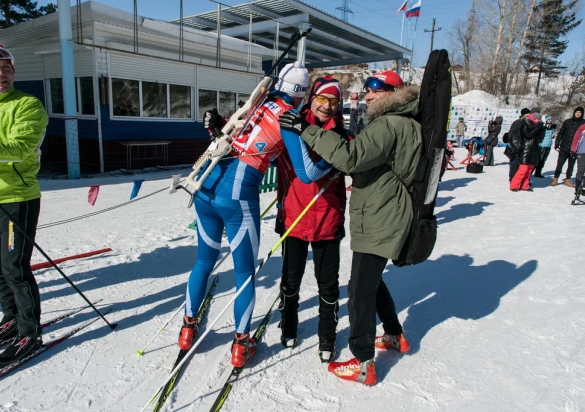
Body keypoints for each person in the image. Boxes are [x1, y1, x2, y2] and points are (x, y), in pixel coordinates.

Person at [178, 62, 333, 368]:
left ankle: (187, 327)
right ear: (302, 96)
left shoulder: (259, 100)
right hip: (236, 198)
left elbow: (231, 128)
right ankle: (241, 344)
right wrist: (332, 163)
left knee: (203, 261)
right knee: (244, 273)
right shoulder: (290, 116)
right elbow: (306, 173)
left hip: (205, 186)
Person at [279, 70, 418, 386]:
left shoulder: (387, 125)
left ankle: (363, 362)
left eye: (375, 91)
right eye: (322, 99)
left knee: (358, 289)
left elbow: (348, 158)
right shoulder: (398, 122)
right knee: (368, 282)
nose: (367, 97)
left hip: (371, 216)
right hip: (308, 217)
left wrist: (307, 132)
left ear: (394, 94)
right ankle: (395, 335)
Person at [0, 40, 48, 368]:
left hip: (16, 199)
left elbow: (19, 148)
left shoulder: (27, 105)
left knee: (14, 267)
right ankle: (10, 319)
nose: (0, 73)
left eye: (6, 68)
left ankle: (30, 331)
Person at [275, 76, 349, 363]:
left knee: (327, 283)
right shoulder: (291, 124)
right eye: (322, 99)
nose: (327, 106)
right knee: (290, 279)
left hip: (327, 219)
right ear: (311, 98)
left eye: (333, 101)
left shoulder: (341, 135)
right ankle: (288, 326)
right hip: (294, 216)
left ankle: (327, 337)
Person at [551, 107, 585, 187]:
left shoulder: (584, 123)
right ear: (574, 112)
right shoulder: (567, 122)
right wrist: (557, 143)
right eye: (577, 112)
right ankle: (555, 178)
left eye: (580, 112)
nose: (578, 114)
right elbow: (561, 133)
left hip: (575, 148)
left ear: (582, 114)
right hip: (564, 146)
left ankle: (568, 179)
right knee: (560, 163)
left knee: (571, 164)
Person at [509, 112, 544, 192]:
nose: (539, 120)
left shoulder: (537, 127)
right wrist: (537, 128)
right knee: (523, 169)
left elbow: (540, 138)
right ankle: (514, 185)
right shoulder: (525, 125)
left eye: (539, 119)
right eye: (537, 119)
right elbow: (527, 135)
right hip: (525, 149)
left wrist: (542, 129)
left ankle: (525, 185)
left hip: (533, 150)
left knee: (529, 170)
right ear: (533, 118)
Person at [505, 108, 531, 181]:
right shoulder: (517, 123)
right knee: (514, 163)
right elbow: (511, 134)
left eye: (529, 114)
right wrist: (514, 145)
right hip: (516, 146)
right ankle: (512, 178)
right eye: (527, 114)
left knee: (523, 165)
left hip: (525, 146)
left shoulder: (529, 124)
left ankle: (522, 180)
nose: (528, 115)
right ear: (523, 114)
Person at [570, 122, 585, 196]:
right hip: (582, 151)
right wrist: (573, 149)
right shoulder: (583, 127)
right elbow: (576, 138)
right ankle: (578, 188)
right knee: (581, 170)